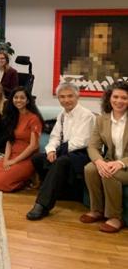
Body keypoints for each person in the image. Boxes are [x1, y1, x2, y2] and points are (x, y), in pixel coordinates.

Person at [27, 82, 95, 221]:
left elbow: (81, 141)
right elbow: (55, 137)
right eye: (62, 97)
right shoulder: (62, 115)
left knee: (61, 161)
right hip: (65, 150)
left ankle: (42, 205)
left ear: (77, 96)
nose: (66, 100)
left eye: (70, 96)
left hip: (83, 154)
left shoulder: (87, 115)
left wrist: (58, 152)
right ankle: (59, 192)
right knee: (38, 158)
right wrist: (51, 150)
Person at [81, 81, 128, 233]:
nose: (119, 101)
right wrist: (99, 161)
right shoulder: (102, 119)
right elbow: (92, 146)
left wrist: (121, 163)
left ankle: (116, 217)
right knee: (90, 169)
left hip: (125, 164)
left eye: (124, 98)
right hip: (110, 160)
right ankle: (97, 210)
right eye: (115, 97)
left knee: (109, 174)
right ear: (109, 98)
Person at [0, 87, 43, 192]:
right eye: (16, 97)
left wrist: (14, 161)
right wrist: (6, 159)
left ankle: (26, 181)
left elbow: (33, 146)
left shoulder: (34, 118)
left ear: (27, 100)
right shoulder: (12, 116)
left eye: (22, 98)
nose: (18, 100)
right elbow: (9, 141)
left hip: (27, 157)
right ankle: (21, 178)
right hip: (13, 154)